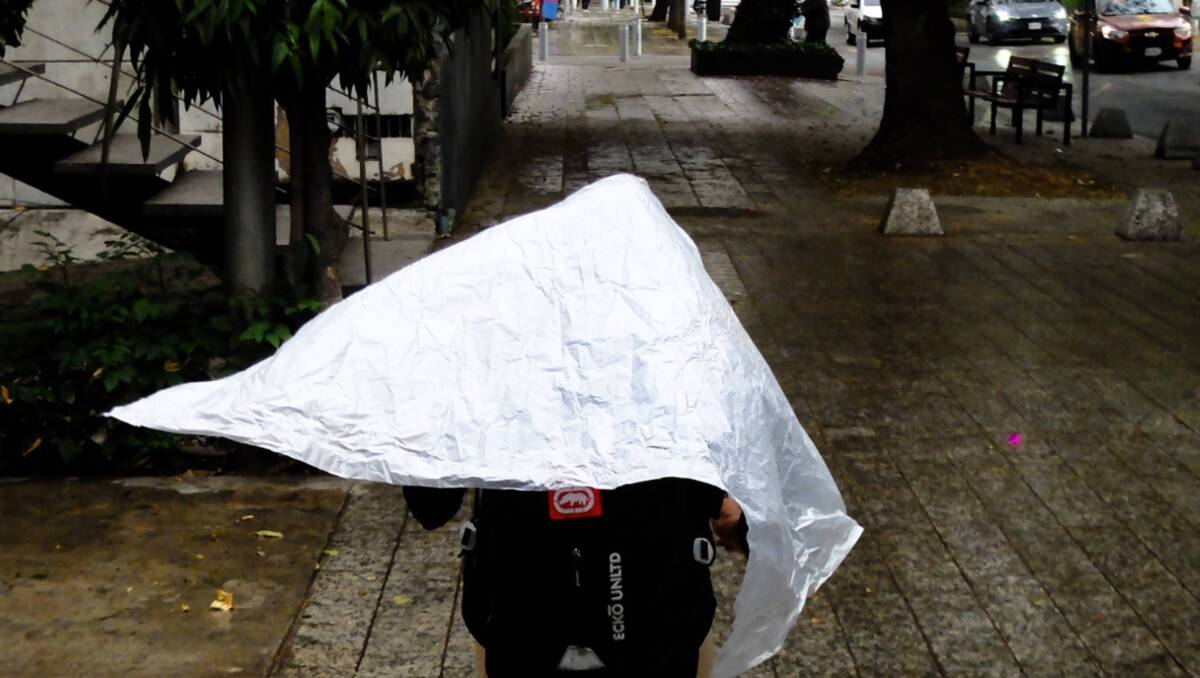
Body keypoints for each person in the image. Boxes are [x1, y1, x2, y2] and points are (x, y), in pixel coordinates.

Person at [405, 480, 748, 677]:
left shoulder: (484, 364)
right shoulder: (671, 358)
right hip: (658, 602)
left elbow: (431, 505)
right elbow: (730, 508)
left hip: (520, 606)